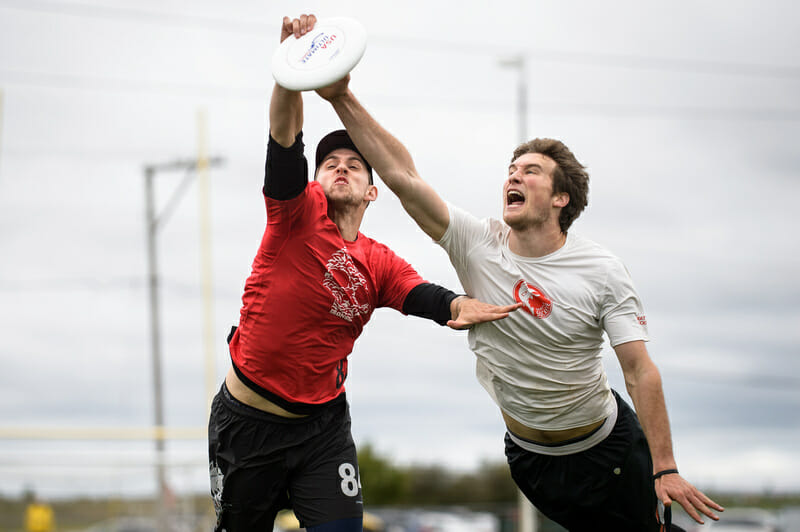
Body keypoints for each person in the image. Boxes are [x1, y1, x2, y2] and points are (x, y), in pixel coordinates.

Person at [316, 70, 725, 530]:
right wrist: (340, 96)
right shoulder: (476, 242)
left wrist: (664, 465)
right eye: (512, 170)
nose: (515, 175)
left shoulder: (602, 270)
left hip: (608, 449)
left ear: (560, 198)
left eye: (531, 171)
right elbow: (402, 177)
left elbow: (638, 369)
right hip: (530, 458)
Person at [207, 14, 520, 532]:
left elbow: (428, 297)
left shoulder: (378, 261)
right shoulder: (295, 211)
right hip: (249, 423)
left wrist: (461, 307)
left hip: (322, 429)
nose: (342, 167)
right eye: (330, 163)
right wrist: (290, 69)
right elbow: (284, 136)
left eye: (354, 163)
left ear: (372, 192)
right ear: (316, 179)